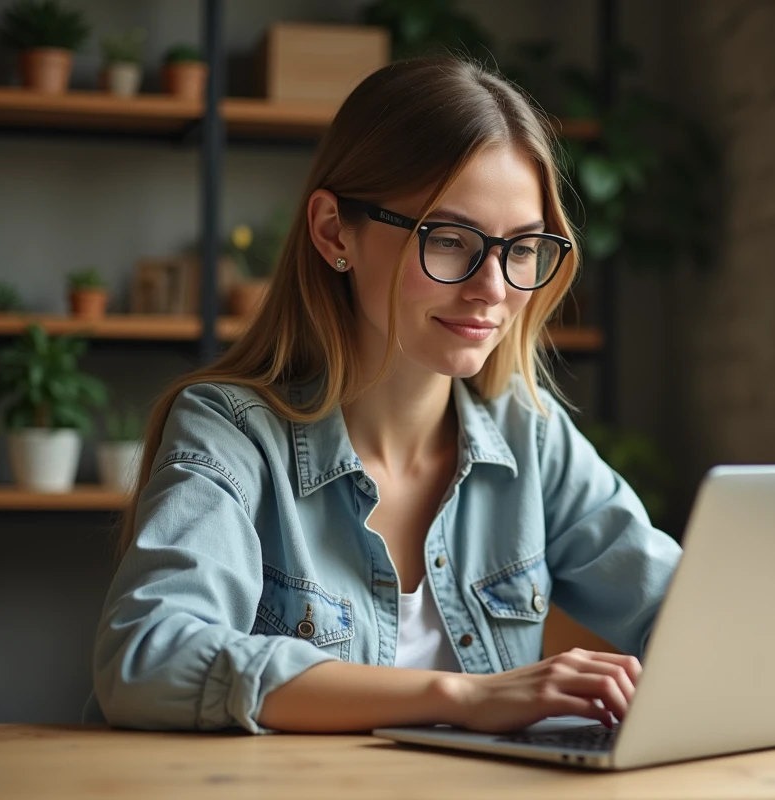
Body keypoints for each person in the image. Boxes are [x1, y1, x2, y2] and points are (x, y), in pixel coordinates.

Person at [91, 56, 681, 735]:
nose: (493, 288)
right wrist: (463, 698)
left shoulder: (532, 439)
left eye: (521, 250)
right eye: (451, 239)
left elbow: (684, 611)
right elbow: (145, 656)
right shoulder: (230, 433)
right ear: (334, 231)